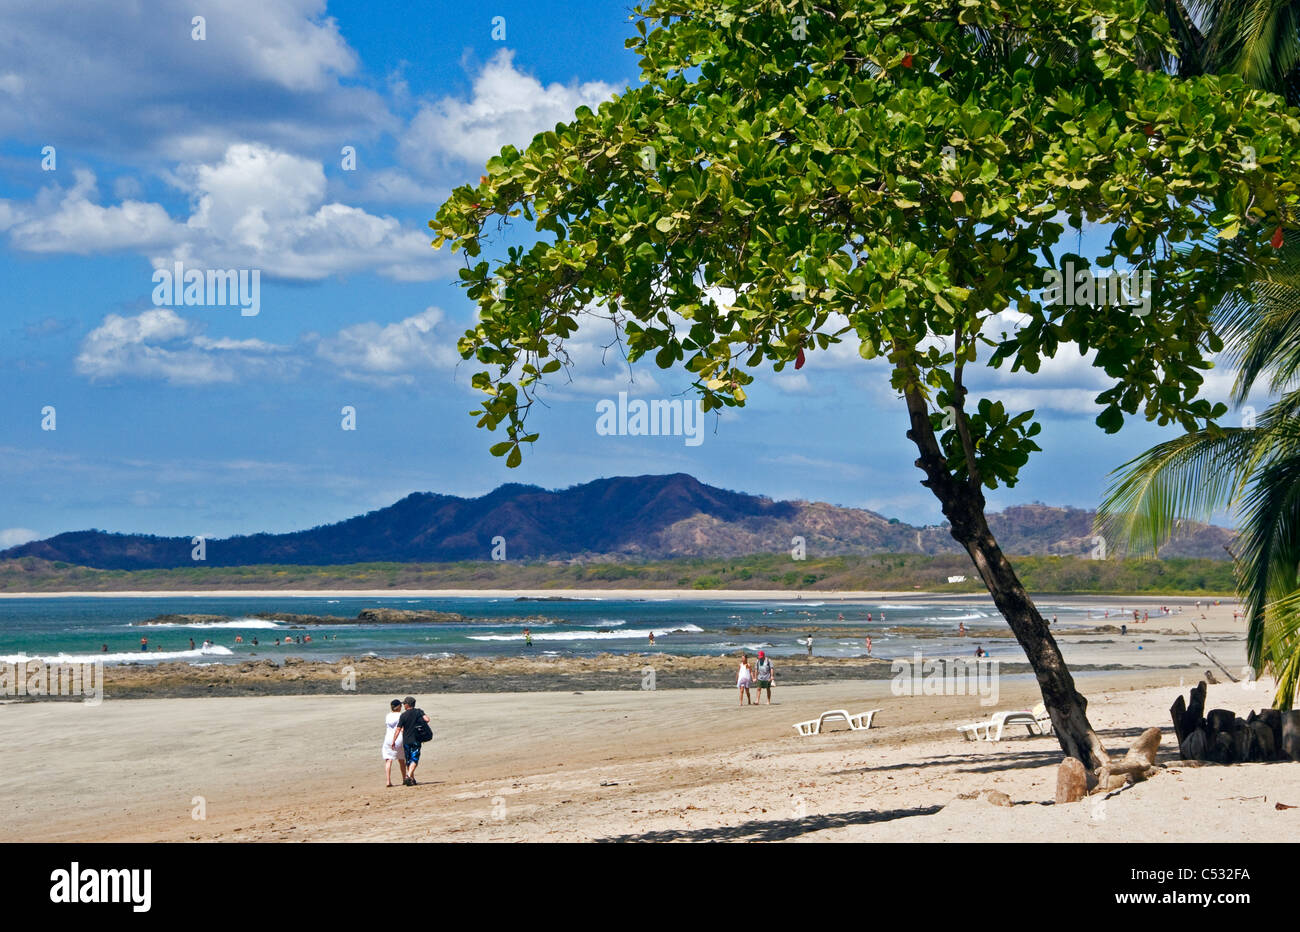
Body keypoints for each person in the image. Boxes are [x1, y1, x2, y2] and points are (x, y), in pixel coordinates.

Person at [392, 697, 431, 786]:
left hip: (406, 740)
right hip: (416, 739)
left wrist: (393, 741)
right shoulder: (418, 712)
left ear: (407, 704)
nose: (403, 705)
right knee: (414, 759)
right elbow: (427, 719)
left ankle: (411, 779)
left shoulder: (403, 715)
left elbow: (398, 729)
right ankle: (409, 776)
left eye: (404, 704)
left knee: (408, 760)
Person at [382, 699, 408, 787]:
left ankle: (388, 781)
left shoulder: (388, 716)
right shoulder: (401, 715)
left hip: (388, 738)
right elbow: (403, 728)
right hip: (399, 738)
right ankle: (404, 778)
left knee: (388, 760)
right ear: (399, 707)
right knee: (401, 760)